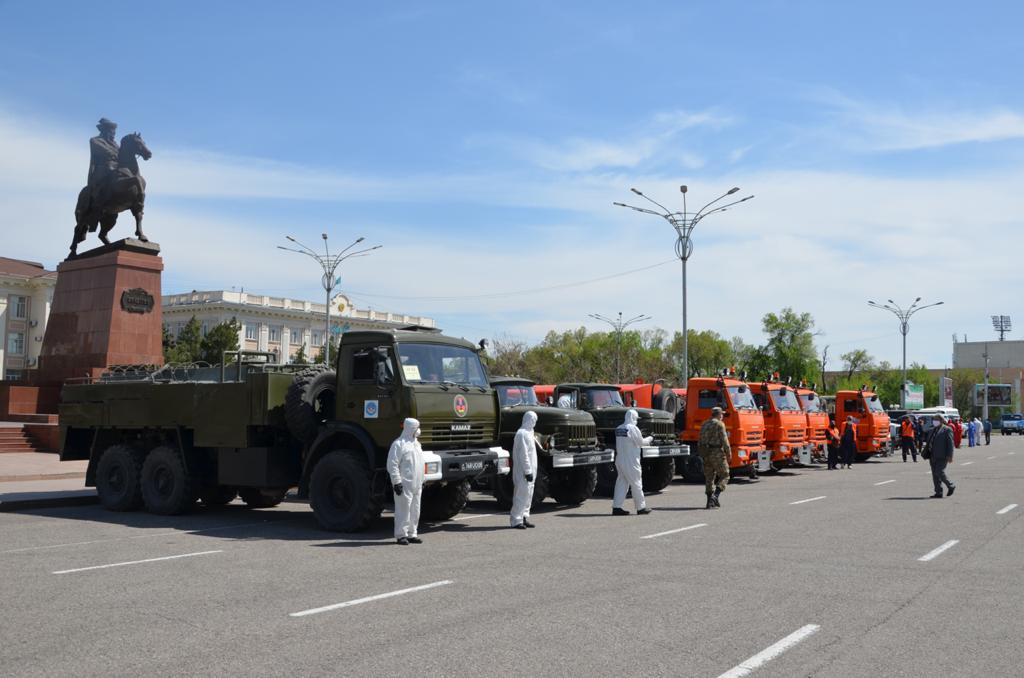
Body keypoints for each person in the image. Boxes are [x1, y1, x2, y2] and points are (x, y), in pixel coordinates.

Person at [387, 418, 425, 545]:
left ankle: (412, 534)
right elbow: (392, 465)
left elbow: (420, 463)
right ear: (410, 428)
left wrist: (422, 479)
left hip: (417, 484)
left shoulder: (417, 444)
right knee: (403, 510)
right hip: (405, 484)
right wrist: (396, 482)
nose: (418, 430)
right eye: (416, 428)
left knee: (415, 510)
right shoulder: (398, 444)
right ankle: (401, 535)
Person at [611, 409, 653, 516]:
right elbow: (641, 442)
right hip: (631, 461)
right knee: (636, 483)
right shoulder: (633, 428)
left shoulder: (619, 428)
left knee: (621, 482)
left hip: (620, 460)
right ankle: (641, 508)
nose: (637, 421)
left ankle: (616, 507)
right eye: (636, 419)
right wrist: (650, 438)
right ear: (633, 418)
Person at [510, 411, 540, 529]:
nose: (534, 422)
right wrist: (527, 471)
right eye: (533, 420)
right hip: (522, 472)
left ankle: (524, 517)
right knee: (520, 495)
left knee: (528, 495)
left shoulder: (530, 433)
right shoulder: (521, 434)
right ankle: (516, 520)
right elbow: (524, 455)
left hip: (531, 470)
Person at [698, 407, 731, 508]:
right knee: (725, 475)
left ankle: (709, 502)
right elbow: (725, 440)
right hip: (717, 453)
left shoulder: (704, 424)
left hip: (706, 453)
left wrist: (702, 453)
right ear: (719, 414)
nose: (722, 416)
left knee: (709, 477)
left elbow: (700, 439)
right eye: (722, 414)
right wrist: (729, 454)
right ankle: (715, 496)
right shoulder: (719, 424)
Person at [928, 414, 956, 498]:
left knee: (939, 472)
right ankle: (938, 492)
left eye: (936, 419)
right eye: (934, 419)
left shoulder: (947, 429)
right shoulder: (932, 430)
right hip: (932, 455)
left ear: (941, 420)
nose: (934, 421)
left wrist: (950, 456)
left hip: (943, 455)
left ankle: (951, 485)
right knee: (935, 474)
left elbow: (950, 443)